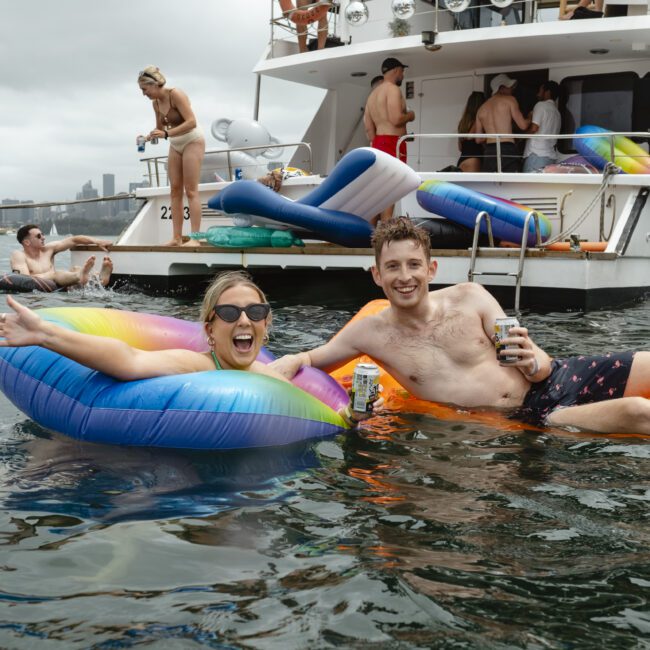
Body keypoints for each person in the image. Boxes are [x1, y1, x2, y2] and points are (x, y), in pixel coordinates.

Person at [271, 217, 650, 435]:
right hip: (527, 415)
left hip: (555, 377)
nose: (405, 277)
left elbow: (541, 369)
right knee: (636, 411)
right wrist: (284, 363)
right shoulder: (370, 333)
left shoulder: (472, 296)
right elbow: (310, 357)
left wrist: (534, 360)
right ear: (376, 275)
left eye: (413, 265)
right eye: (392, 267)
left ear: (430, 269)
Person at [0, 271, 380, 429]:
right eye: (230, 313)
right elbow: (129, 360)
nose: (244, 321)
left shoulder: (268, 374)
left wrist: (353, 414)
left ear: (267, 324)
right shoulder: (195, 364)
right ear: (210, 328)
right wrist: (45, 334)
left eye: (256, 312)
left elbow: (319, 407)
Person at [137, 66, 205, 247]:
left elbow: (192, 122)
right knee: (174, 191)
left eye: (145, 90)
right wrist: (148, 136)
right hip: (176, 144)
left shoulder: (176, 94)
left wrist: (167, 135)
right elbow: (161, 129)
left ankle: (195, 238)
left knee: (191, 190)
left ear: (155, 84)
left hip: (192, 140)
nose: (144, 94)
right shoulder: (156, 104)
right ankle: (176, 238)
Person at [363, 57, 415, 224]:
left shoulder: (372, 96)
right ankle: (386, 232)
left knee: (377, 189)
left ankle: (369, 235)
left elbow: (369, 130)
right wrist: (411, 115)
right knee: (391, 189)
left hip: (378, 143)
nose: (403, 74)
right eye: (402, 71)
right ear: (396, 71)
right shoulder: (392, 90)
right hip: (393, 143)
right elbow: (396, 119)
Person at [10, 224, 113, 289]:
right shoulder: (18, 255)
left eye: (42, 234)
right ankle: (80, 276)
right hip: (38, 292)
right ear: (27, 242)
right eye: (38, 236)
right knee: (55, 274)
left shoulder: (48, 249)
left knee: (75, 268)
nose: (43, 238)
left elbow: (74, 240)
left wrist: (96, 241)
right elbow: (23, 280)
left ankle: (100, 279)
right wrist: (51, 275)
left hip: (58, 288)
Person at [475, 74, 531, 173]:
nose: (512, 90)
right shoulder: (510, 100)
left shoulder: (481, 109)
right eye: (510, 87)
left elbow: (478, 139)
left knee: (492, 183)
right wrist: (531, 117)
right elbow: (523, 125)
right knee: (510, 183)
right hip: (506, 147)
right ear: (502, 87)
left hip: (490, 150)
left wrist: (490, 135)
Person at [523, 81, 561, 173]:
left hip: (536, 156)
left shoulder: (541, 105)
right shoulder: (557, 112)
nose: (537, 94)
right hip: (550, 158)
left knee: (529, 186)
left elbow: (534, 129)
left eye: (540, 91)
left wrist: (519, 138)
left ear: (547, 92)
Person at [456, 91, 485, 173]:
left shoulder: (463, 122)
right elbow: (473, 138)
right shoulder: (478, 121)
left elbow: (460, 147)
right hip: (474, 160)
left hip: (462, 160)